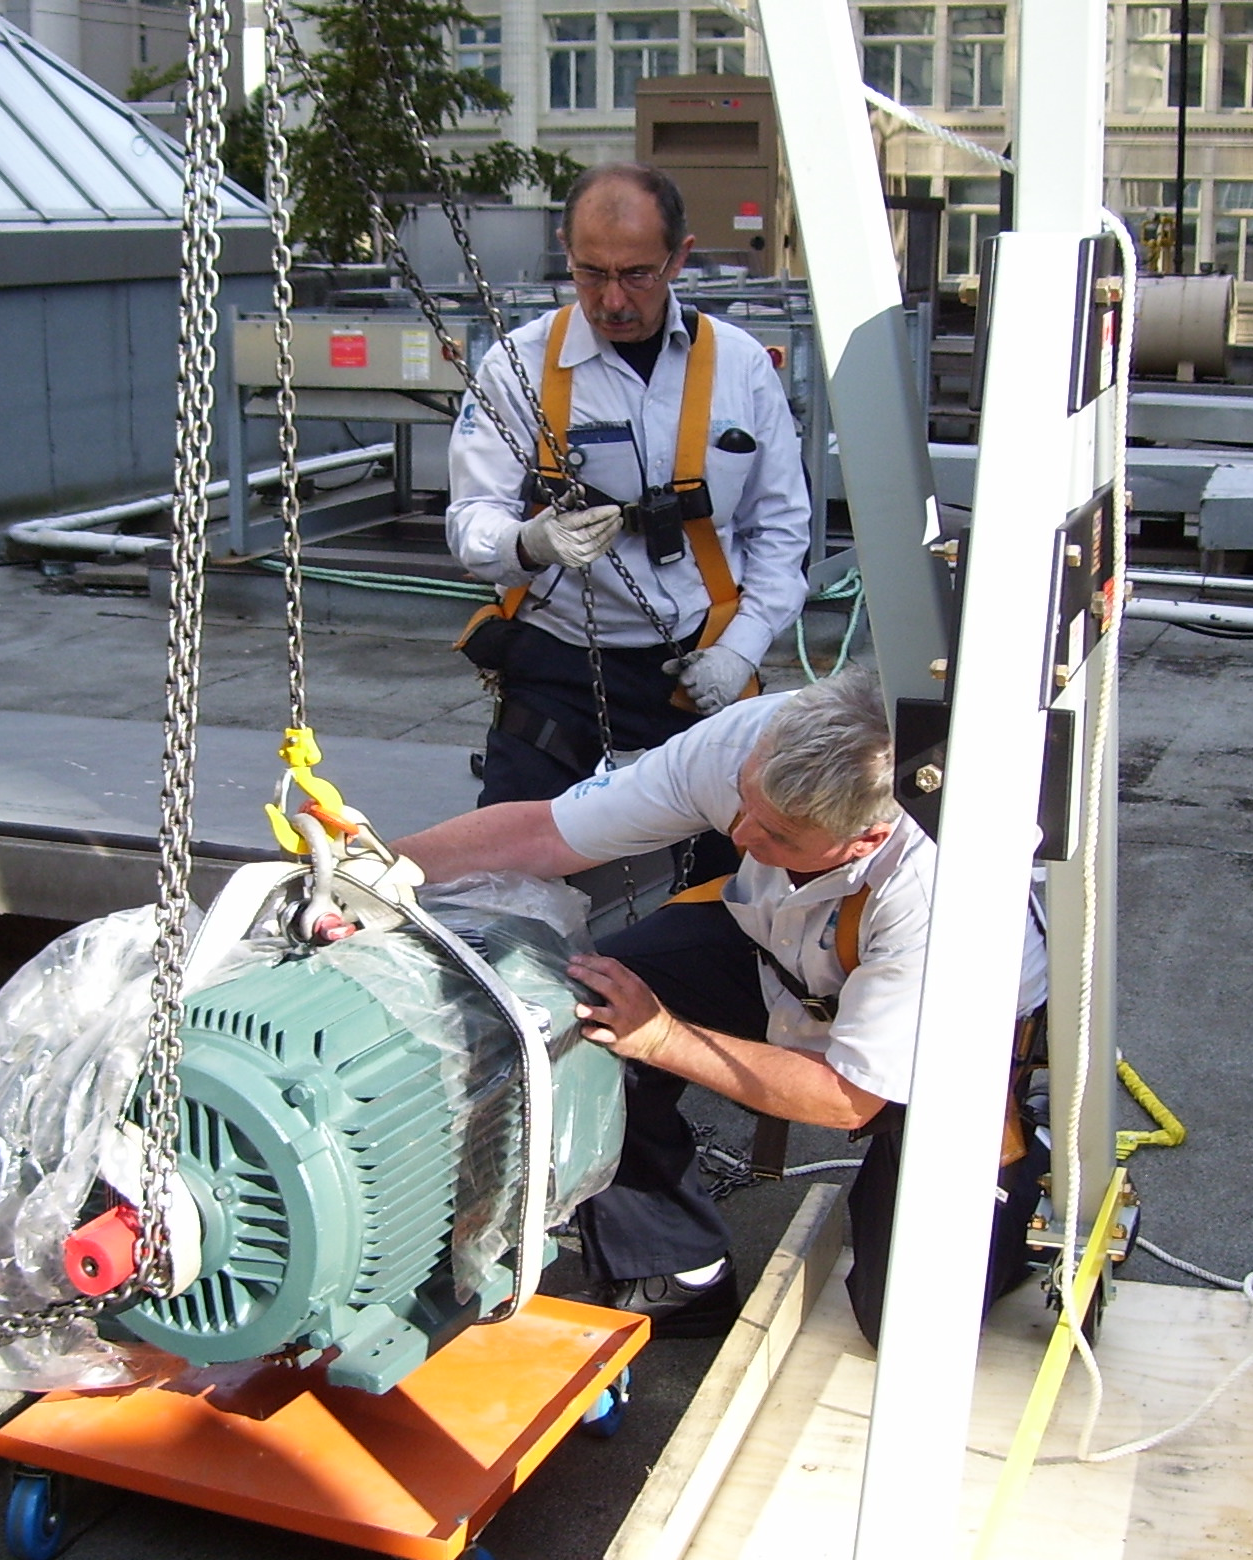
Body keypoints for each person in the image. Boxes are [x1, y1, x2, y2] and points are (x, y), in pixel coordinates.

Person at [394, 667, 1049, 1344]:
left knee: (902, 1324)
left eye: (779, 837)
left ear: (866, 840)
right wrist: (372, 868)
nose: (739, 836)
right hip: (777, 949)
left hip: (931, 1030)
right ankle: (677, 1269)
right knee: (585, 1006)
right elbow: (544, 833)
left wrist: (661, 1037)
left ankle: (1031, 1165)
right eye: (744, 802)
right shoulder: (741, 740)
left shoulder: (937, 882)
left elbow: (850, 1099)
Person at [446, 162, 811, 809]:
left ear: (679, 259)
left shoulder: (740, 366)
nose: (613, 300)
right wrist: (530, 542)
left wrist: (740, 651)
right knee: (505, 850)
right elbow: (472, 518)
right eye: (592, 273)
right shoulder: (519, 365)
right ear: (568, 253)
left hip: (697, 658)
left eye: (637, 274)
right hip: (560, 657)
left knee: (736, 856)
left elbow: (781, 531)